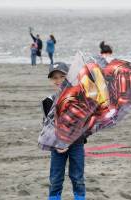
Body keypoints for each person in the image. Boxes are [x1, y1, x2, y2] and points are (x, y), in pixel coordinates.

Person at [41, 62, 86, 200]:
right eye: (55, 77)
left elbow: (83, 122)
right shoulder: (48, 101)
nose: (58, 80)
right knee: (55, 178)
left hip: (76, 143)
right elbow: (48, 126)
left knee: (77, 177)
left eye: (62, 76)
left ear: (70, 77)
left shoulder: (80, 98)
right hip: (57, 146)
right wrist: (58, 143)